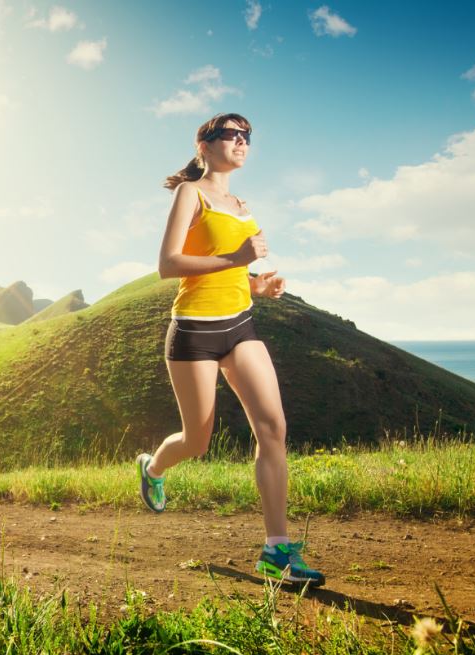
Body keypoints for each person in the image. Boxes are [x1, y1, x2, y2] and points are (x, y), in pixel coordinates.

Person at [135, 112, 325, 587]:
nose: (241, 142)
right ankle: (153, 467)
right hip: (195, 332)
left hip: (240, 326)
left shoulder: (241, 204)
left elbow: (233, 273)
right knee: (197, 441)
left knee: (273, 427)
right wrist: (239, 258)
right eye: (231, 134)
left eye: (247, 136)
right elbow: (168, 264)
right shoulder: (190, 194)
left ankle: (276, 551)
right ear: (204, 144)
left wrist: (259, 284)